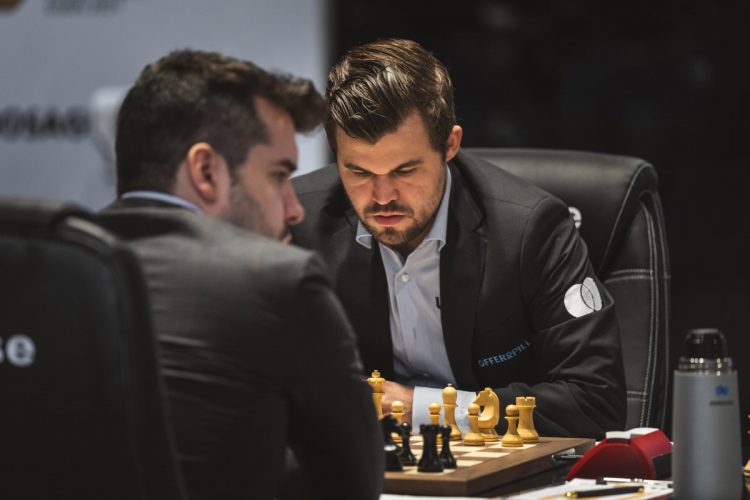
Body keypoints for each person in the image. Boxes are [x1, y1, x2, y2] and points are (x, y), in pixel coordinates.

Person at [291, 39, 626, 439]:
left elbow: (595, 401)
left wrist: (419, 408)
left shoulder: (530, 229)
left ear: (450, 144)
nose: (382, 197)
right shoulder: (297, 221)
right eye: (359, 172)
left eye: (405, 170)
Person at [99, 50, 383, 500]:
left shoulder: (37, 271)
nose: (293, 210)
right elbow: (353, 484)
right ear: (206, 171)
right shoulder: (277, 279)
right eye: (278, 176)